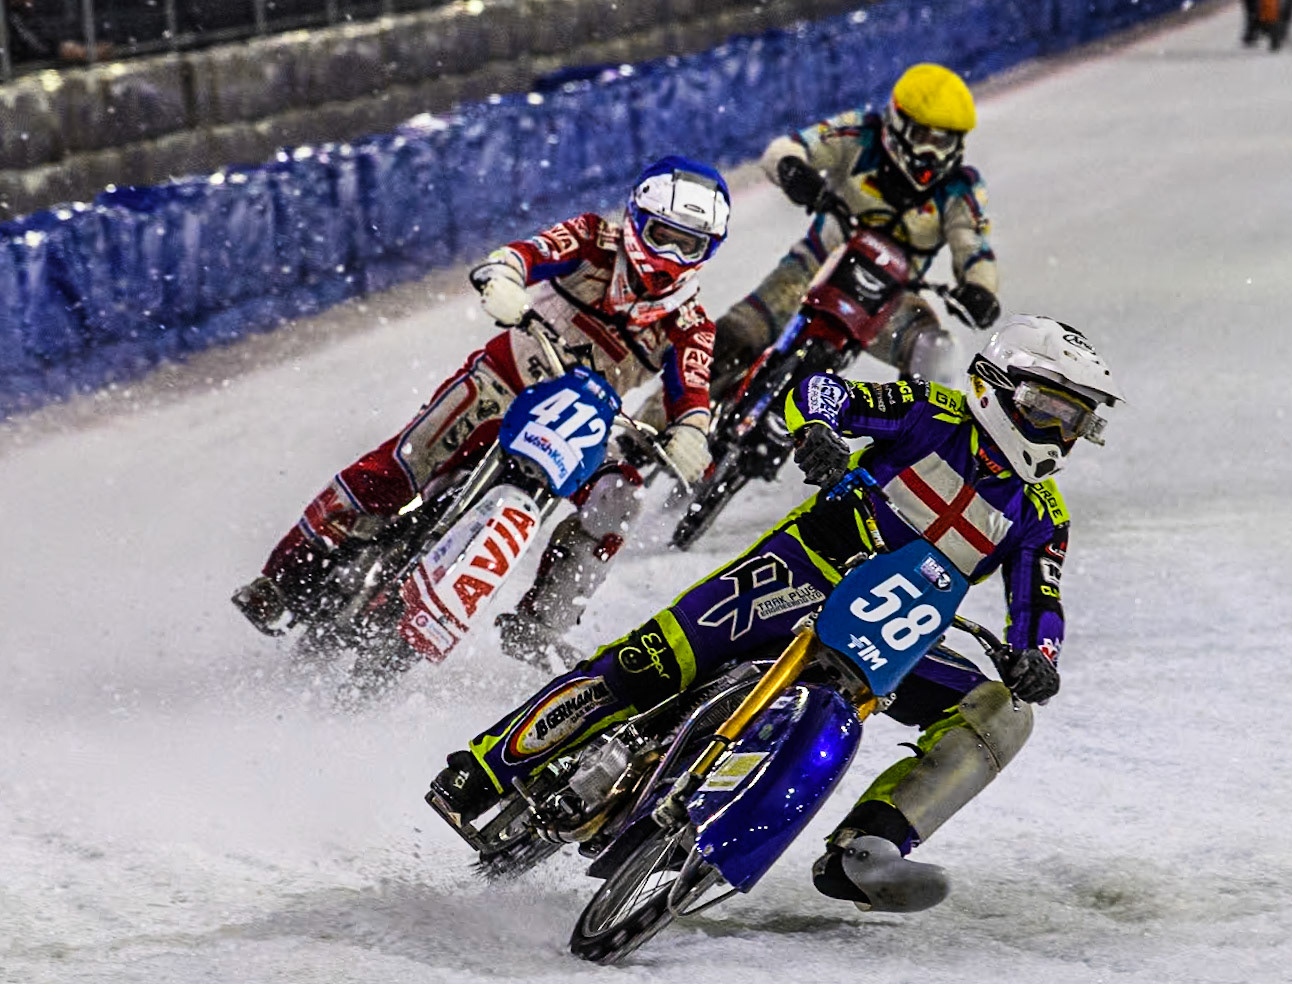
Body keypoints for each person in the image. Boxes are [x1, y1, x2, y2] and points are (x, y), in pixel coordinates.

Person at [431, 315, 1123, 911]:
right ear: (997, 386)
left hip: (894, 631)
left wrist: (1039, 658)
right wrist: (817, 427)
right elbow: (822, 390)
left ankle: (871, 848)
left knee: (1002, 714)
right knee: (654, 660)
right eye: (1050, 408)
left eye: (1076, 421)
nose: (1059, 433)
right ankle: (486, 766)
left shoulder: (1042, 513)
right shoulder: (930, 411)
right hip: (800, 568)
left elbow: (1041, 600)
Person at [233, 156, 731, 659]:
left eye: (688, 244)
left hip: (579, 428)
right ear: (637, 219)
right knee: (404, 464)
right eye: (662, 235)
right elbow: (526, 253)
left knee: (620, 495)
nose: (671, 255)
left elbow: (693, 391)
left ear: (708, 251)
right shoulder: (591, 238)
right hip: (502, 383)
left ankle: (540, 624)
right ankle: (285, 576)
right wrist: (505, 278)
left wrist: (692, 431)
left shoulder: (691, 325)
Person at [706, 62, 1001, 401]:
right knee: (734, 337)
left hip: (889, 301)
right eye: (922, 137)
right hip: (813, 268)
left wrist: (980, 289)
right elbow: (784, 149)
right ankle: (665, 419)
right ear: (898, 121)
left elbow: (973, 245)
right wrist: (793, 170)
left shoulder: (960, 189)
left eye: (943, 142)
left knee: (936, 353)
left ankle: (914, 432)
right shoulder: (858, 133)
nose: (930, 154)